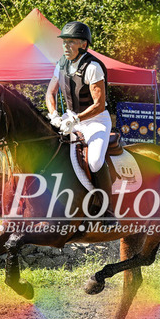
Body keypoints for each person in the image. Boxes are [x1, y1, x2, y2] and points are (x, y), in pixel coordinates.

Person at [45, 21, 114, 219]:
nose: (65, 46)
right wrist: (54, 114)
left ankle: (106, 208)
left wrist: (76, 119)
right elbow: (50, 93)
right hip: (69, 117)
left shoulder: (92, 67)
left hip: (96, 120)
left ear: (83, 44)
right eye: (64, 42)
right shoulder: (61, 64)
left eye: (71, 42)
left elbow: (99, 104)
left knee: (94, 161)